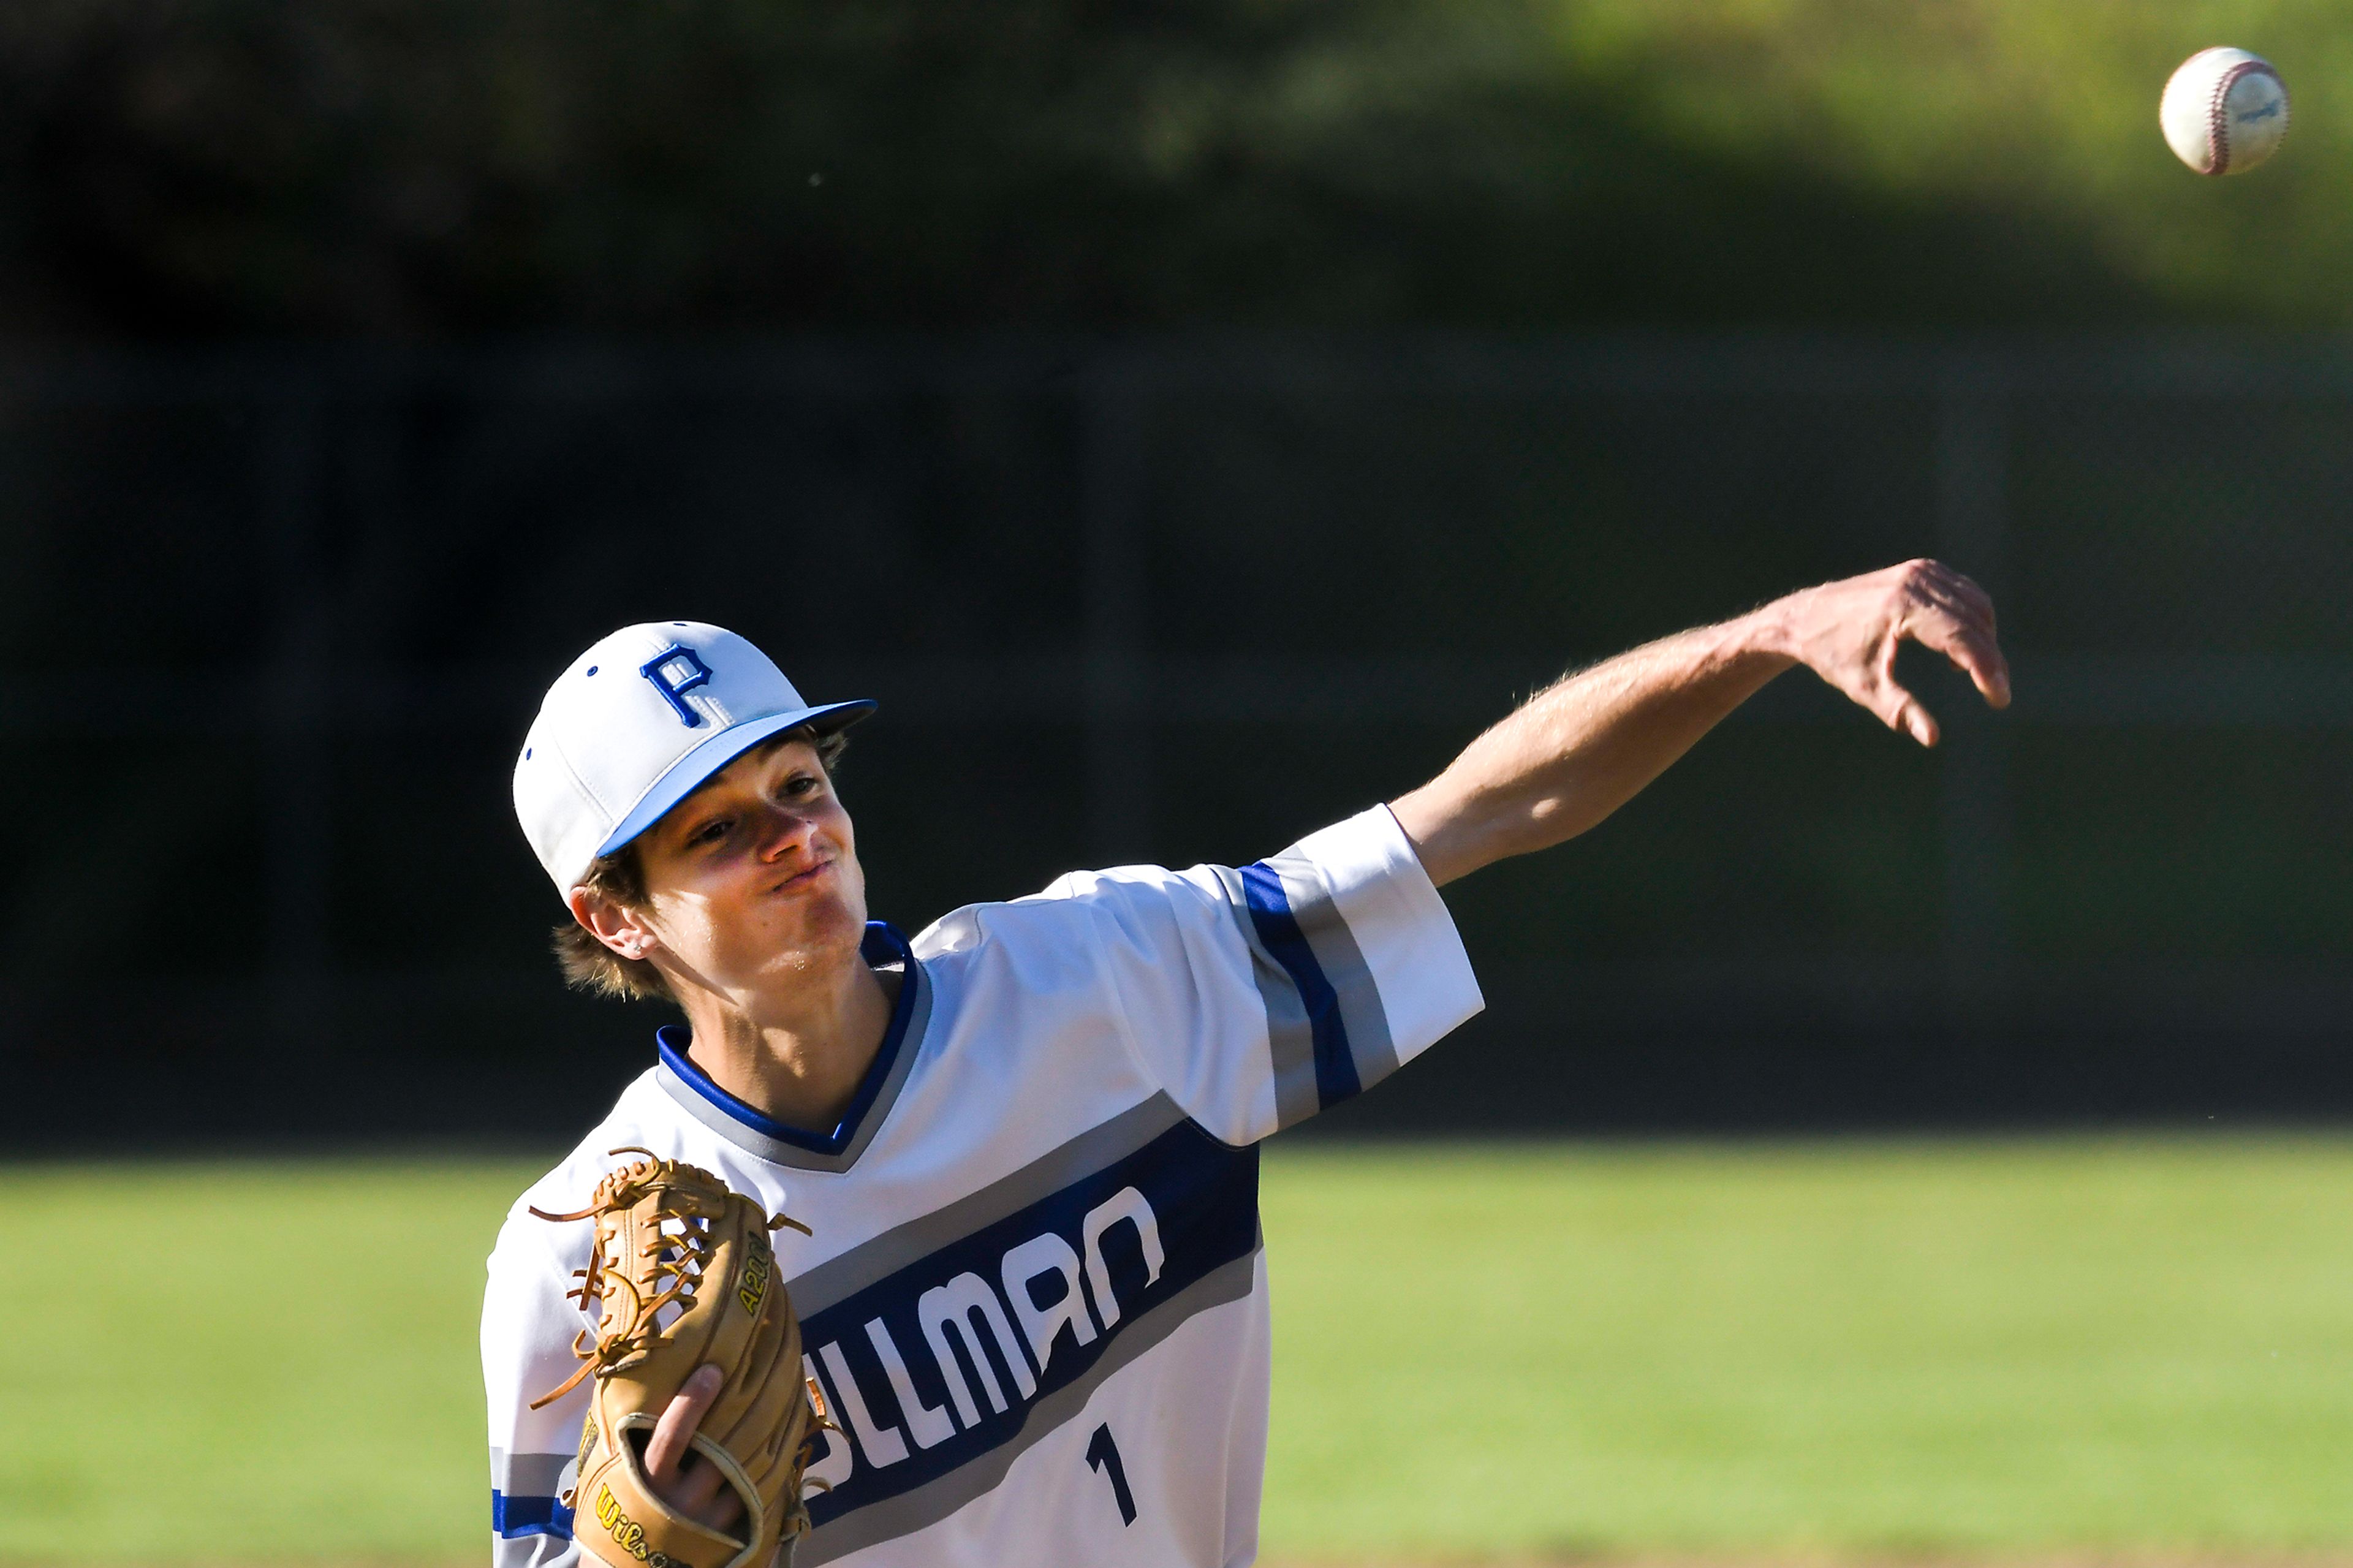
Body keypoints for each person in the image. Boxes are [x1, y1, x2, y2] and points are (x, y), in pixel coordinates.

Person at [483, 560, 2010, 1567]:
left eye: (801, 781)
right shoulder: (595, 1248)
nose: (797, 837)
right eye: (720, 827)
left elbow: (1478, 814)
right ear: (613, 911)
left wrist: (1763, 634)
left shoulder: (1108, 982)